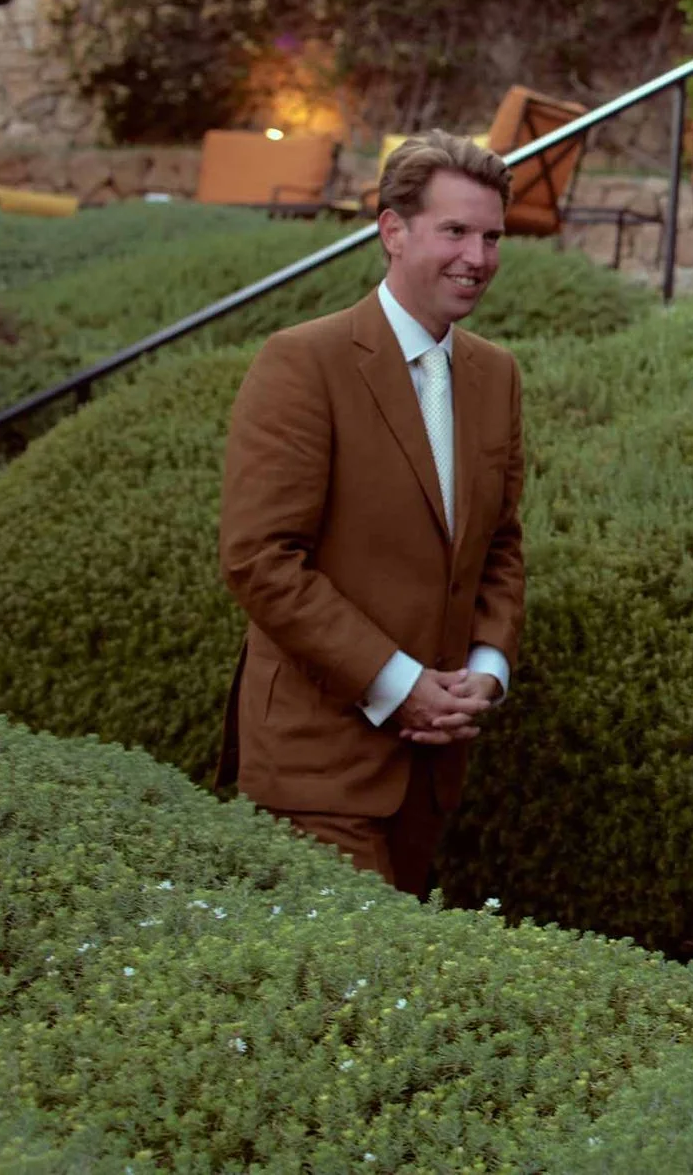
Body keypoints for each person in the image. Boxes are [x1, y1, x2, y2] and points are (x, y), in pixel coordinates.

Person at [216, 132, 527, 898]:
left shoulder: (496, 374)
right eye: (455, 231)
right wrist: (398, 683)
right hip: (312, 768)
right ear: (392, 231)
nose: (478, 257)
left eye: (491, 237)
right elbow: (260, 557)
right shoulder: (303, 362)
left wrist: (487, 671)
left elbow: (501, 544)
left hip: (430, 770)